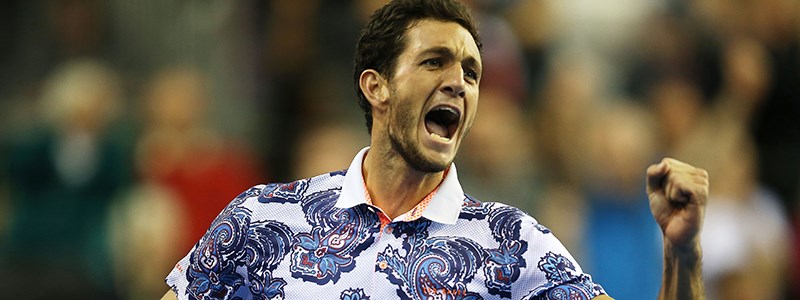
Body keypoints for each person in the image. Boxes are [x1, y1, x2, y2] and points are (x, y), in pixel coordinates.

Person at [163, 0, 709, 299]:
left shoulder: (514, 245)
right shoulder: (263, 219)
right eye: (434, 62)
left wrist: (682, 253)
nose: (459, 83)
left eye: (471, 71)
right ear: (375, 86)